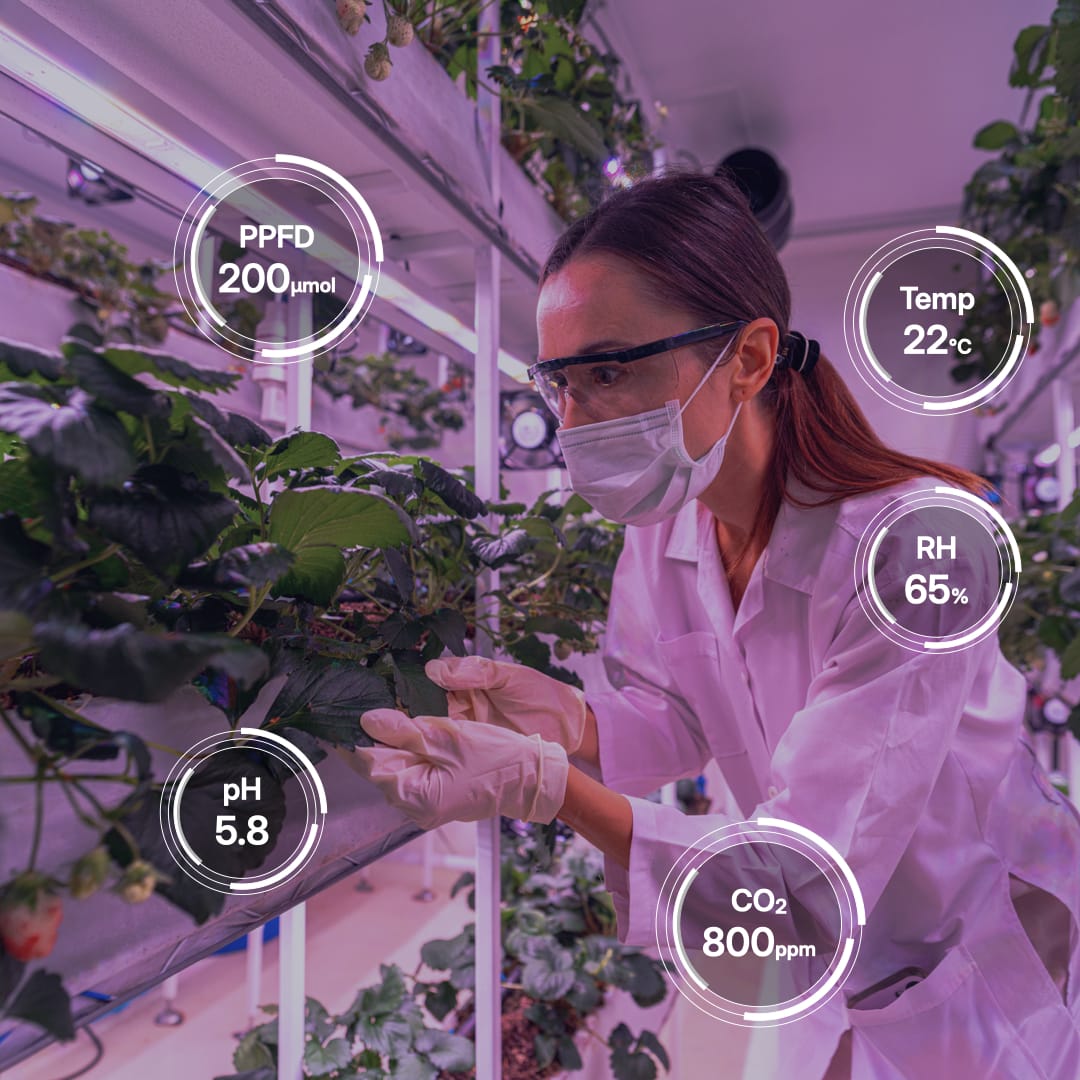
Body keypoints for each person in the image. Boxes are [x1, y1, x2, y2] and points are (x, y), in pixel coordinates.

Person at [343, 170, 1080, 1078]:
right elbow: (683, 715)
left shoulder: (917, 550)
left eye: (609, 371)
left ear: (749, 358)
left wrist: (552, 788)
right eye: (557, 386)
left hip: (978, 957)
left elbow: (809, 877)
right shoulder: (670, 529)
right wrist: (572, 722)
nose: (573, 424)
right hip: (843, 959)